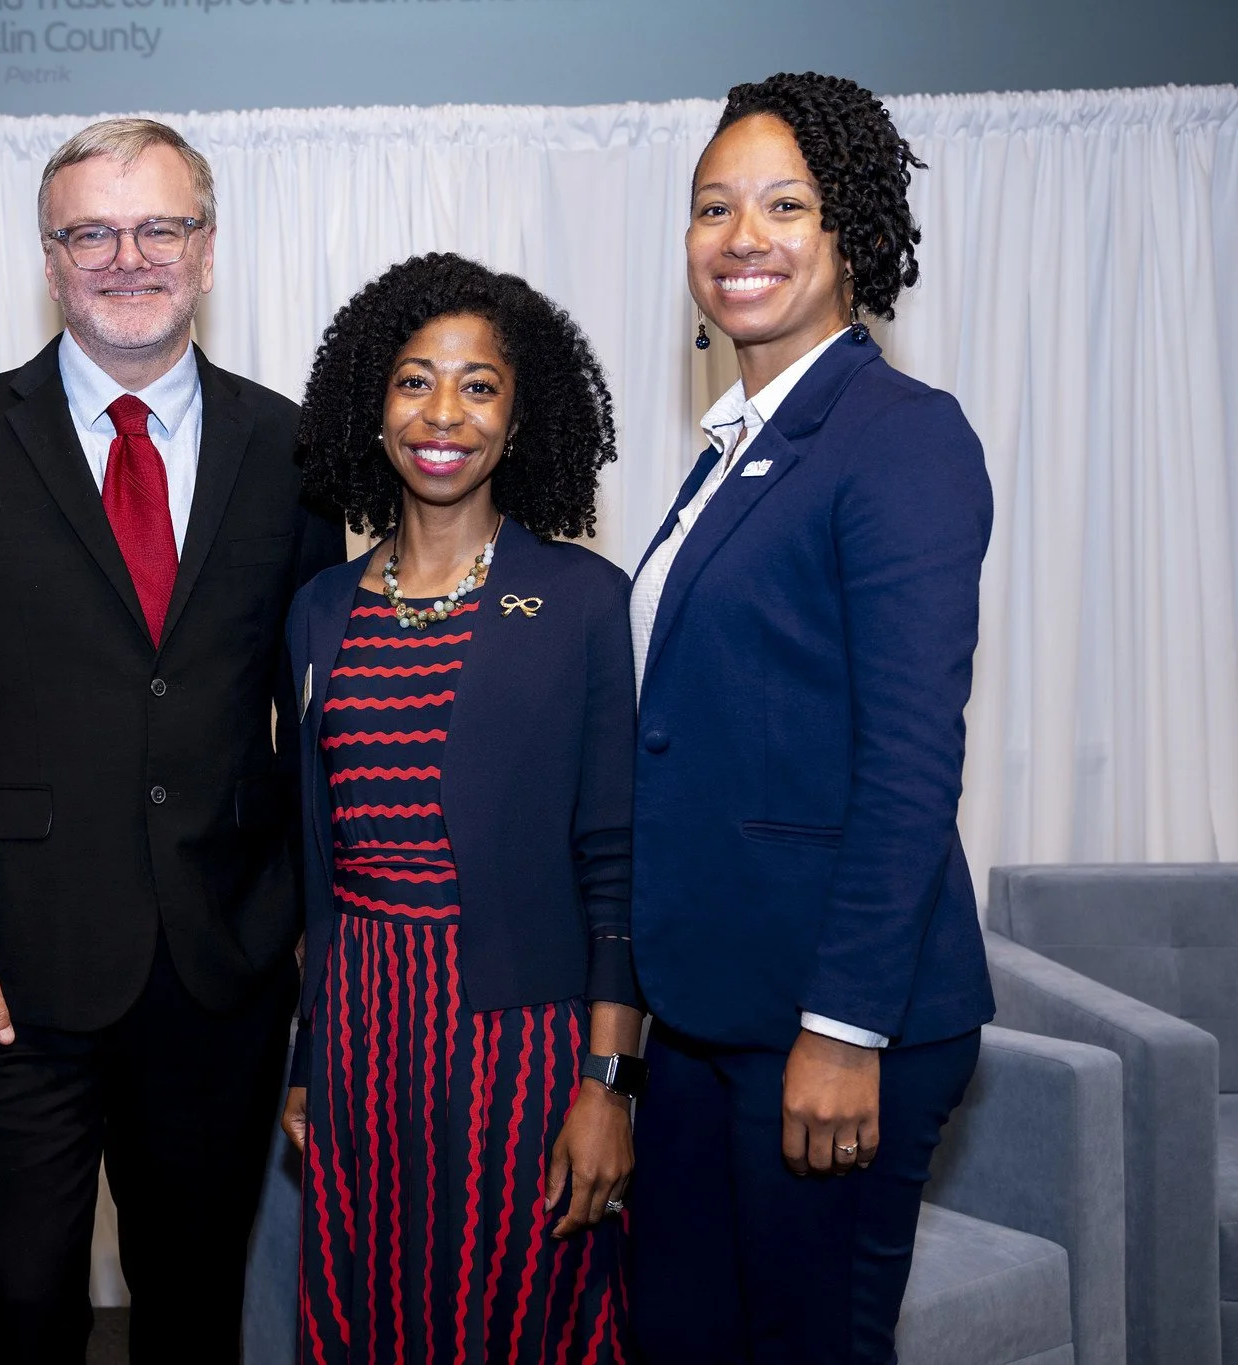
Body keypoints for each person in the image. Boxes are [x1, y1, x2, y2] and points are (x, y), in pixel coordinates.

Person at [0, 118, 345, 1363]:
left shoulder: (298, 452)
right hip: (5, 975)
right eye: (91, 230)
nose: (125, 256)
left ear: (206, 246)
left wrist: (305, 933)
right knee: (20, 1315)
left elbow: (315, 720)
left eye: (158, 227)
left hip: (220, 967)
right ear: (49, 257)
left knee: (192, 1314)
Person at [625, 72, 996, 1363]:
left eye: (785, 205)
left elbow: (909, 761)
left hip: (831, 1017)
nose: (743, 237)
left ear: (852, 234)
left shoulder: (899, 437)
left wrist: (845, 1031)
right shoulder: (738, 443)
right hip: (709, 1009)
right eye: (714, 207)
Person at [278, 252, 642, 1364]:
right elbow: (316, 858)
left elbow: (614, 865)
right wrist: (303, 1060)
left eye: (477, 385)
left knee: (519, 1317)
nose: (442, 413)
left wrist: (606, 1086)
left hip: (519, 1044)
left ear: (521, 417)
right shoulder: (320, 610)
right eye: (412, 380)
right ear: (368, 405)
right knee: (368, 1314)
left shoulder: (581, 600)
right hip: (357, 1035)